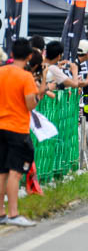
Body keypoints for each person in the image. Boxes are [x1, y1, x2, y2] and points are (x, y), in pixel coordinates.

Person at [0, 38, 45, 227]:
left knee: (1, 172)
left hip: (1, 126)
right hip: (18, 128)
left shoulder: (1, 72)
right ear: (28, 56)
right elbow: (30, 104)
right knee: (15, 173)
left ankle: (1, 213)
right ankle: (13, 214)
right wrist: (39, 94)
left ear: (11, 54)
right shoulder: (25, 77)